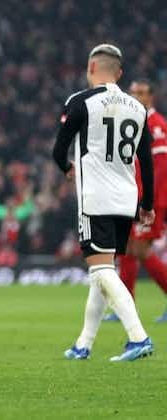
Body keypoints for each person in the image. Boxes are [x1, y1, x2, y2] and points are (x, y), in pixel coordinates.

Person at [53, 44, 155, 361]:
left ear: (91, 67)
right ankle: (84, 344)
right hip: (126, 200)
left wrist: (67, 168)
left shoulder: (81, 102)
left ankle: (138, 337)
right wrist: (147, 204)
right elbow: (146, 160)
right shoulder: (138, 108)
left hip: (95, 197)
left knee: (100, 272)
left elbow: (59, 148)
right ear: (120, 73)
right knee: (103, 271)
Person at [104, 79, 167, 322]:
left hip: (150, 201)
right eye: (133, 93)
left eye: (142, 92)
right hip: (131, 198)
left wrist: (148, 203)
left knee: (140, 249)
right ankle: (125, 308)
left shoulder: (157, 125)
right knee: (127, 249)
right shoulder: (133, 123)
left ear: (151, 97)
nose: (137, 96)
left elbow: (160, 170)